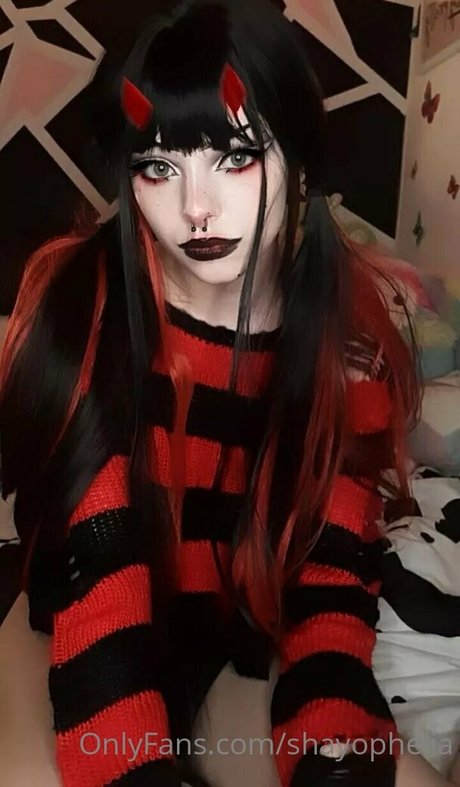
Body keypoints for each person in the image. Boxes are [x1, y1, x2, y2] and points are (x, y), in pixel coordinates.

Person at [1, 0, 442, 785]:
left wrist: (332, 728)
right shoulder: (85, 309)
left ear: (297, 159)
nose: (194, 207)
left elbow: (332, 570)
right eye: (157, 167)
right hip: (78, 619)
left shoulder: (348, 345)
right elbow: (95, 564)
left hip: (240, 626)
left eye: (235, 156)